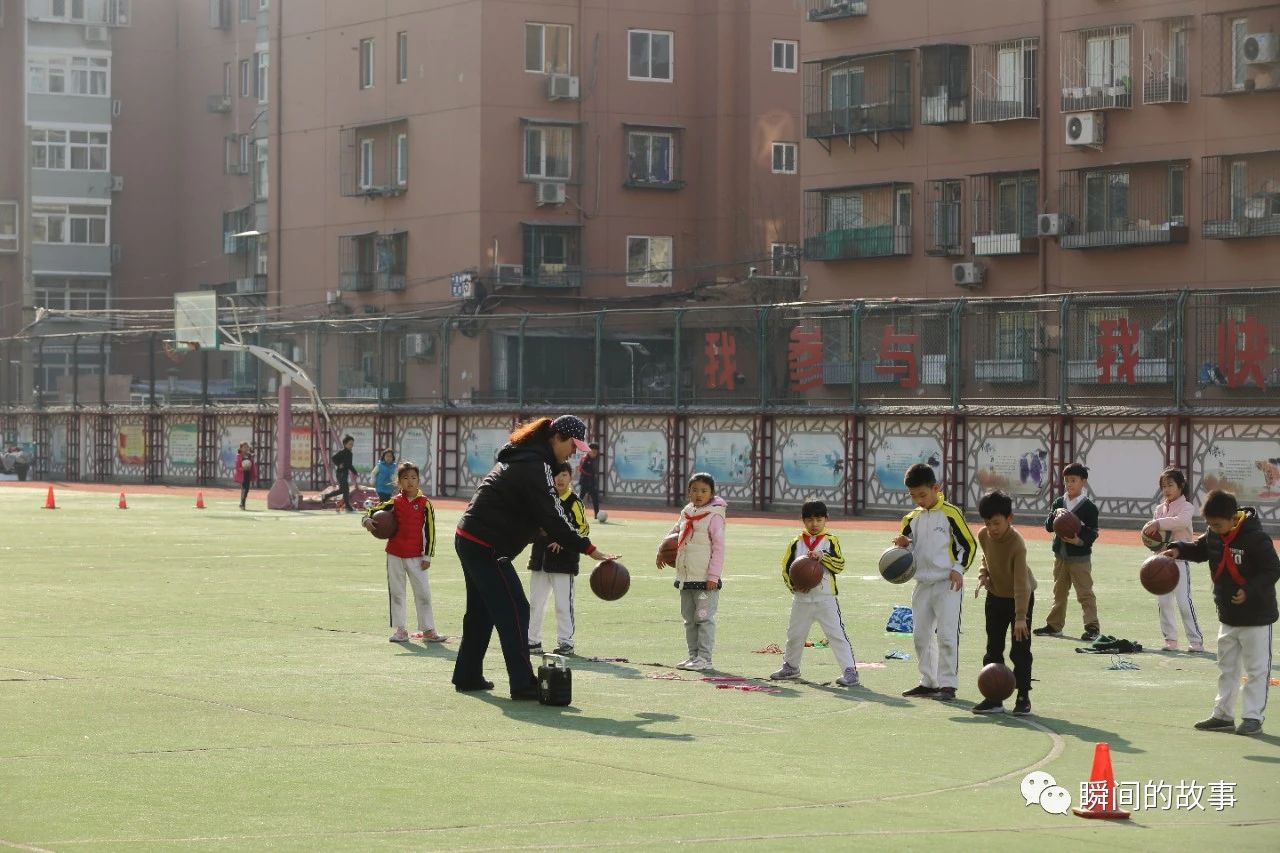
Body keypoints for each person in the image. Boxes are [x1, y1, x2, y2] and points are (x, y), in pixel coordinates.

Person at [452, 415, 617, 699]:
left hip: (472, 538)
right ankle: (523, 683)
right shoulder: (535, 464)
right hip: (485, 544)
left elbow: (534, 511)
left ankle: (467, 675)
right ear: (557, 438)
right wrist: (588, 548)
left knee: (482, 612)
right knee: (516, 609)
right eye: (572, 445)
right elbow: (551, 514)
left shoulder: (526, 456)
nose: (574, 452)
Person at [1168, 489, 1279, 737]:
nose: (1213, 529)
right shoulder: (1215, 534)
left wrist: (1249, 591)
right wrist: (1178, 549)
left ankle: (1252, 718)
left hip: (1256, 617)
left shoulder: (1256, 538)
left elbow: (1273, 569)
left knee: (1256, 670)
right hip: (1227, 615)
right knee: (1226, 667)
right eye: (1209, 524)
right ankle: (1222, 715)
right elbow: (1200, 548)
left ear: (1233, 517)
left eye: (1217, 524)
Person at [894, 462, 976, 701]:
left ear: (936, 488)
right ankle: (929, 682)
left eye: (922, 494)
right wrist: (902, 544)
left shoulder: (951, 513)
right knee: (920, 636)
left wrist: (959, 569)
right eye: (913, 495)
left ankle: (948, 684)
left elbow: (968, 544)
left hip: (947, 583)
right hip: (922, 584)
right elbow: (908, 547)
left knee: (947, 635)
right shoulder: (911, 518)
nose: (918, 500)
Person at [769, 499, 859, 687]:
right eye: (809, 520)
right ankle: (791, 666)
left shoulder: (830, 541)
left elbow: (840, 565)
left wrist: (823, 557)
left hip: (825, 598)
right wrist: (793, 585)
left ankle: (850, 670)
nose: (814, 524)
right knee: (795, 634)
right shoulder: (796, 543)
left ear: (826, 519)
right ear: (802, 521)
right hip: (801, 599)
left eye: (819, 519)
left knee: (836, 634)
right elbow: (786, 567)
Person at [363, 461, 444, 643]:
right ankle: (400, 630)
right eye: (405, 478)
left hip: (417, 557)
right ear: (399, 482)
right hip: (395, 554)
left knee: (423, 593)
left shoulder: (425, 504)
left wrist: (428, 555)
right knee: (397, 592)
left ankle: (428, 630)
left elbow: (430, 532)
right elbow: (372, 511)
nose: (410, 482)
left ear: (419, 480)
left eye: (414, 478)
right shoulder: (395, 502)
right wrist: (366, 521)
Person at [972, 490, 1037, 716]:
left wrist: (1021, 618)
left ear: (1010, 518)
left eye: (997, 523)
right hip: (996, 596)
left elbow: (1022, 583)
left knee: (1020, 651)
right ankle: (993, 698)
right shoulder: (983, 535)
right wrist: (983, 574)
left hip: (1021, 599)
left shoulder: (1017, 544)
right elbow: (986, 556)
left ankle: (1023, 697)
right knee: (993, 649)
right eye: (988, 523)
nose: (992, 529)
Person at [657, 472, 727, 672]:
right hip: (686, 578)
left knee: (703, 619)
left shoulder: (714, 517)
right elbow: (673, 534)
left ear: (712, 493)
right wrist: (661, 551)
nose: (699, 494)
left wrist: (713, 576)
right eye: (695, 490)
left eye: (704, 491)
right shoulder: (687, 512)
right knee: (689, 620)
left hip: (705, 581)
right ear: (688, 492)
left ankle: (705, 658)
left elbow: (719, 548)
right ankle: (692, 656)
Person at [1034, 463, 1101, 641]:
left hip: (1080, 559)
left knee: (1085, 593)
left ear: (1083, 482)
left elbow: (1093, 533)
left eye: (1073, 480)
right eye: (1066, 481)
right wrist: (1055, 515)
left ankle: (1092, 627)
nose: (1069, 484)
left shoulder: (1089, 508)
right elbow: (1049, 527)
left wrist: (1078, 540)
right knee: (1059, 592)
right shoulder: (1059, 503)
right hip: (1061, 557)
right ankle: (1054, 625)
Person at [527, 462, 588, 656]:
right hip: (540, 560)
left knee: (563, 604)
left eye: (564, 475)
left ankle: (566, 643)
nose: (559, 479)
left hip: (564, 563)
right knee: (536, 603)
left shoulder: (574, 502)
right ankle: (532, 641)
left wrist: (565, 540)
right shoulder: (542, 500)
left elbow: (584, 528)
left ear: (570, 477)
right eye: (556, 475)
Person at [1143, 467, 1204, 652]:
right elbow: (1154, 536)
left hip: (1180, 560)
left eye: (1170, 485)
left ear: (1181, 486)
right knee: (1164, 602)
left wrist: (1158, 523)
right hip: (1160, 561)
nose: (1167, 489)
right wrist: (1148, 534)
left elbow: (1181, 522)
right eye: (1164, 486)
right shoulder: (1159, 509)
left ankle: (1196, 641)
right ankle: (1170, 640)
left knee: (1184, 601)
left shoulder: (1187, 507)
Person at [320, 435, 357, 511]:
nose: (351, 446)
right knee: (345, 489)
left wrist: (355, 472)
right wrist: (339, 464)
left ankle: (326, 496)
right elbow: (334, 458)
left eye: (352, 444)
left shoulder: (350, 454)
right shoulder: (342, 452)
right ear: (345, 444)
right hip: (340, 473)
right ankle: (347, 505)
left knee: (343, 490)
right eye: (350, 444)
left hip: (345, 473)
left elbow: (349, 465)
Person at [578, 442, 602, 520]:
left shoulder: (595, 459)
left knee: (595, 499)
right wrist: (590, 474)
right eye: (593, 452)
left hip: (592, 483)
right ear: (589, 451)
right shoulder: (585, 458)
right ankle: (574, 513)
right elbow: (581, 469)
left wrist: (594, 476)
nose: (595, 454)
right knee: (580, 499)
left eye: (596, 452)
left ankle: (597, 515)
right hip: (585, 482)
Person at [234, 442, 255, 510]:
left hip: (248, 474)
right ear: (241, 448)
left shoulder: (249, 456)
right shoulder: (238, 456)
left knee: (247, 489)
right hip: (242, 474)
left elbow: (253, 465)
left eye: (247, 447)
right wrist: (243, 468)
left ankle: (242, 503)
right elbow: (237, 467)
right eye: (244, 447)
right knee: (244, 489)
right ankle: (242, 504)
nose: (246, 448)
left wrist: (252, 471)